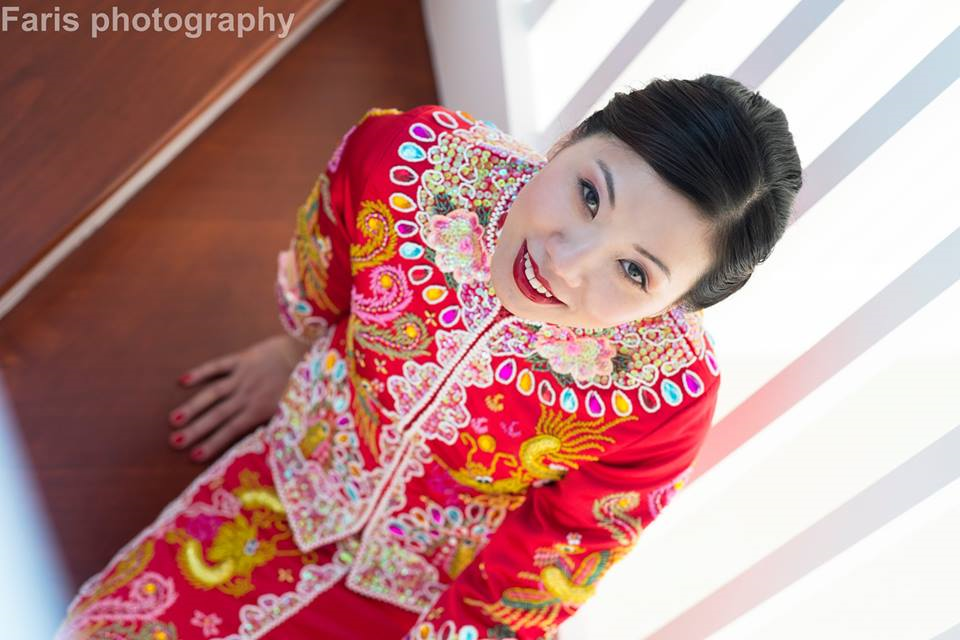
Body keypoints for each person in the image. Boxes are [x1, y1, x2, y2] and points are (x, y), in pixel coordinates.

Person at [55, 74, 802, 640]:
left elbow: (571, 543)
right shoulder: (408, 162)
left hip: (441, 583)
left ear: (677, 306)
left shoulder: (665, 397)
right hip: (301, 464)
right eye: (587, 194)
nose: (568, 261)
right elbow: (328, 249)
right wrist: (292, 347)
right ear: (571, 139)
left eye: (634, 272)